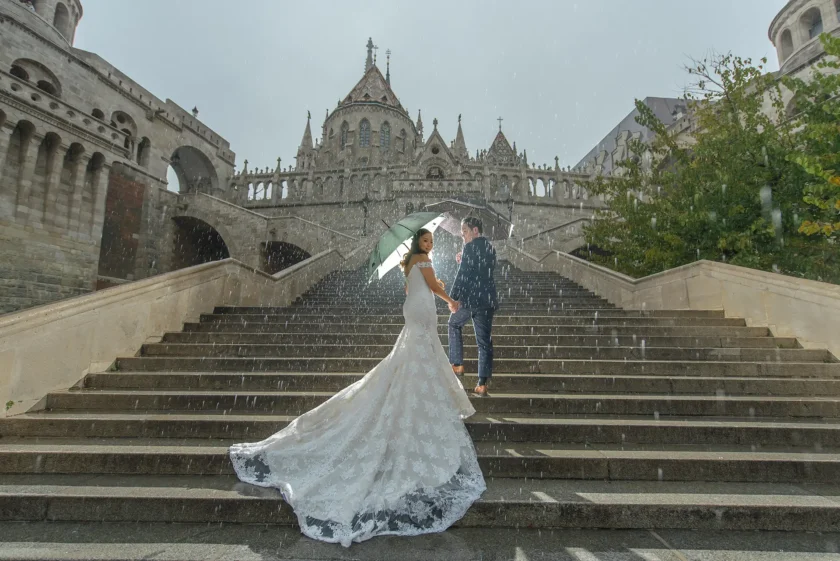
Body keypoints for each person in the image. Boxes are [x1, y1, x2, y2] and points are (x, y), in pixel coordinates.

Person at [229, 228, 486, 547]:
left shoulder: (410, 263)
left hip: (413, 308)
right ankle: (422, 392)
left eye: (431, 242)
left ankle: (416, 386)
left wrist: (432, 287)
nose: (429, 245)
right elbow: (431, 285)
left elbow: (413, 289)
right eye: (425, 241)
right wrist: (448, 298)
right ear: (419, 243)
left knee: (416, 350)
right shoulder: (422, 260)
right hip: (423, 309)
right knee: (424, 347)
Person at [448, 217, 498, 397]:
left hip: (471, 300)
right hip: (487, 301)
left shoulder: (469, 247)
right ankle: (482, 383)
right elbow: (484, 270)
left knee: (454, 324)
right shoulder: (491, 248)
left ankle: (457, 363)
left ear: (475, 230)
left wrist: (452, 298)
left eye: (465, 233)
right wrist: (465, 259)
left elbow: (464, 275)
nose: (463, 237)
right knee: (484, 342)